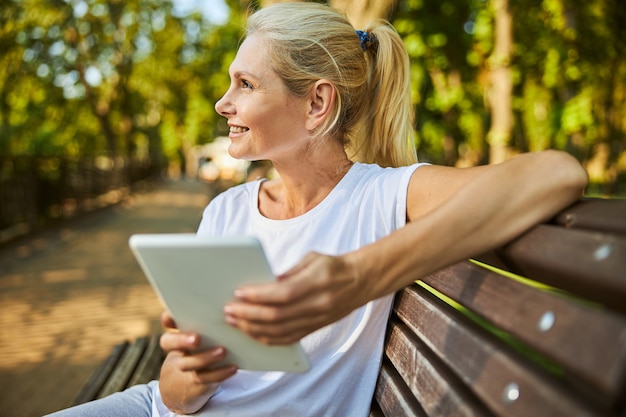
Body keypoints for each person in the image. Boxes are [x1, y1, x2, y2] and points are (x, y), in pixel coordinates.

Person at [47, 2, 588, 416]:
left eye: (246, 84)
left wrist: (358, 276)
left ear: (317, 104)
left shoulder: (380, 195)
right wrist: (191, 373)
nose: (222, 102)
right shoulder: (226, 211)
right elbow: (175, 394)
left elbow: (557, 174)